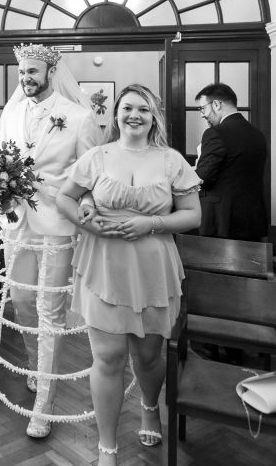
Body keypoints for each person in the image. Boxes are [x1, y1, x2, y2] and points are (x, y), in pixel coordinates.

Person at [56, 84, 201, 465]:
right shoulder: (97, 157)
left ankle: (150, 406)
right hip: (103, 263)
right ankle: (107, 445)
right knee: (107, 356)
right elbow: (64, 197)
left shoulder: (171, 160)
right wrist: (87, 224)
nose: (133, 115)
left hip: (152, 266)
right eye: (127, 108)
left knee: (149, 355)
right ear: (116, 114)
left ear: (154, 117)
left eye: (142, 109)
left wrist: (151, 223)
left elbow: (192, 214)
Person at [0, 43, 101, 438]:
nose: (26, 78)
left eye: (33, 72)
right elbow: (0, 157)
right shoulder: (10, 112)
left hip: (57, 223)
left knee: (50, 309)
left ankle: (45, 403)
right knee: (21, 300)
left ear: (50, 73)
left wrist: (83, 205)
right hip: (15, 221)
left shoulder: (78, 117)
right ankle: (36, 367)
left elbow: (88, 176)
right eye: (22, 72)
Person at [195, 83, 268, 241]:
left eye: (202, 108)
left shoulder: (214, 133)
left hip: (221, 222)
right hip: (253, 221)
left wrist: (198, 164)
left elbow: (203, 177)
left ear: (216, 104)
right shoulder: (257, 134)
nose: (202, 114)